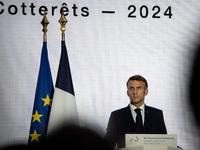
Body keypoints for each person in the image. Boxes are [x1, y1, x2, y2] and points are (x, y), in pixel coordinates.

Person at [105, 75, 167, 149]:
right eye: (131, 88)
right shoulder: (116, 116)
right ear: (128, 93)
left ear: (146, 91)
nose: (135, 92)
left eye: (139, 88)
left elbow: (165, 143)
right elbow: (107, 145)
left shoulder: (157, 114)